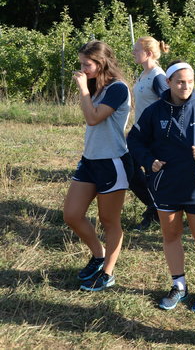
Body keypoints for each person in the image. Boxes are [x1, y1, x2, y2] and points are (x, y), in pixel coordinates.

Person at [127, 61, 195, 314]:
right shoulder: (154, 111)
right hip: (166, 185)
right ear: (169, 82)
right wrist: (149, 160)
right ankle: (179, 285)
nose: (186, 86)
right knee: (171, 236)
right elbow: (135, 140)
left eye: (190, 82)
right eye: (180, 82)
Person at [64, 40, 132, 292]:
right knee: (72, 214)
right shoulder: (97, 86)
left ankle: (108, 272)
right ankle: (98, 254)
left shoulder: (118, 88)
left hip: (112, 162)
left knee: (109, 220)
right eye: (81, 64)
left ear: (101, 62)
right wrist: (88, 88)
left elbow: (93, 118)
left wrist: (83, 89)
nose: (82, 69)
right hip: (90, 160)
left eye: (87, 64)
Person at [130, 36, 169, 231]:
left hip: (152, 135)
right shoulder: (143, 73)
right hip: (140, 132)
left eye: (136, 50)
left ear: (148, 53)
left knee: (151, 174)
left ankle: (156, 211)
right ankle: (154, 206)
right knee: (129, 169)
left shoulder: (158, 76)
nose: (133, 53)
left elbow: (168, 104)